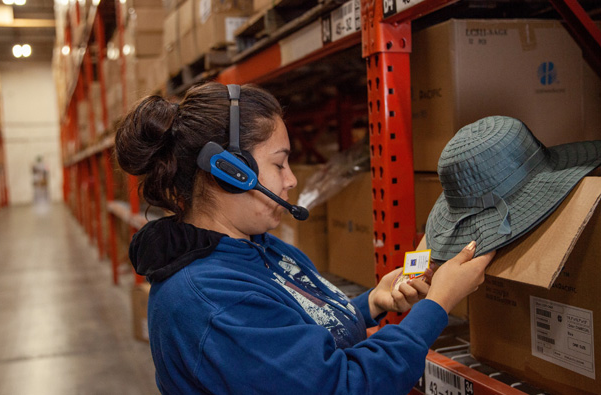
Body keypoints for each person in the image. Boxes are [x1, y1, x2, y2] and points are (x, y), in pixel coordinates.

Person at [114, 82, 495, 394]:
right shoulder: (210, 300)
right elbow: (342, 385)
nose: (292, 179)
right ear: (230, 171)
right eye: (279, 163)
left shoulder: (259, 246)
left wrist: (369, 304)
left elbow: (294, 337)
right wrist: (439, 304)